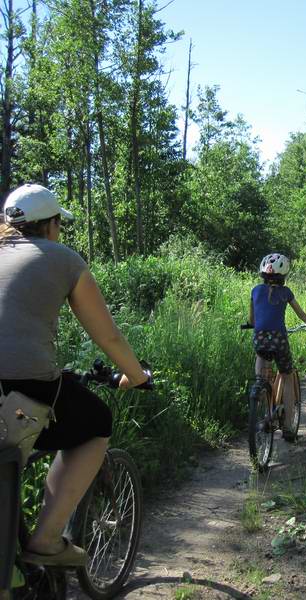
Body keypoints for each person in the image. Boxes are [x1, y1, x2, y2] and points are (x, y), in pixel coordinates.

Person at [0, 184, 150, 567]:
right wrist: (138, 376)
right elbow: (108, 336)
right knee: (97, 420)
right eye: (59, 226)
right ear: (50, 225)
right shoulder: (63, 259)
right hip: (22, 390)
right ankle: (46, 540)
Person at [248, 253, 306, 383]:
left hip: (259, 337)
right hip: (279, 338)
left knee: (261, 355)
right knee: (287, 377)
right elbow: (301, 314)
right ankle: (287, 403)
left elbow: (252, 320)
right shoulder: (286, 292)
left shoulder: (255, 291)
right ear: (284, 275)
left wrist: (252, 324)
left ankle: (260, 387)